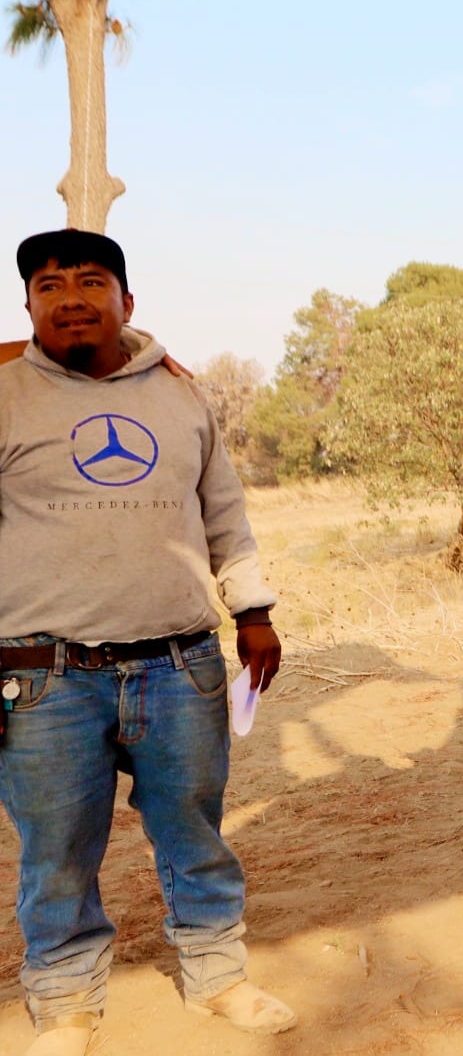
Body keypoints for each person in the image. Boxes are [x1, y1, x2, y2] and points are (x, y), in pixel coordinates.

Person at [1, 230, 295, 1056]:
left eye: (92, 281)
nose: (70, 298)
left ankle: (218, 975)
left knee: (194, 828)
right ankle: (63, 1004)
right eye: (48, 285)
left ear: (128, 301)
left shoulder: (181, 397)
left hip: (179, 665)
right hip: (43, 672)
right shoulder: (3, 394)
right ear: (27, 308)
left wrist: (253, 612)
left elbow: (225, 513)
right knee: (55, 850)